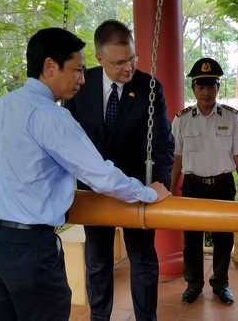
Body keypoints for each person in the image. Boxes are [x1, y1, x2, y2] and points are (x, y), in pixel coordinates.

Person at [0, 27, 171, 321]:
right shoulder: (51, 116)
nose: (81, 78)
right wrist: (149, 193)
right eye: (77, 70)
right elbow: (99, 175)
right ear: (50, 67)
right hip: (28, 247)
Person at [63, 20, 174, 321]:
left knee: (143, 261)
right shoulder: (79, 87)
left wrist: (161, 183)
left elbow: (163, 141)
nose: (129, 68)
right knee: (97, 262)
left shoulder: (149, 87)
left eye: (133, 58)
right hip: (94, 191)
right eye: (120, 62)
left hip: (137, 189)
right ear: (99, 59)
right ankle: (100, 318)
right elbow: (66, 140)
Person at [170, 57, 238, 305]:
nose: (206, 92)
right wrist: (171, 189)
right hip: (193, 186)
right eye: (201, 87)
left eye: (211, 86)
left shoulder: (231, 117)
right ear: (193, 89)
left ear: (217, 88)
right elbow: (177, 158)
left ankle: (221, 283)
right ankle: (194, 284)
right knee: (191, 241)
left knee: (223, 239)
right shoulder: (182, 119)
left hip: (223, 185)